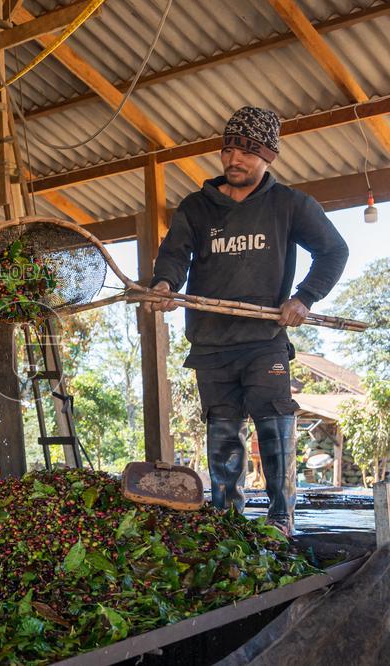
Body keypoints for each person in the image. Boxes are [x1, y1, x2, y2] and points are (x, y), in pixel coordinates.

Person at [145, 106, 349, 536]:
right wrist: (164, 284)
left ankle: (280, 517)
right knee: (222, 433)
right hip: (210, 343)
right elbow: (174, 255)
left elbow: (334, 251)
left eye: (248, 152)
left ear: (268, 157)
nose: (234, 159)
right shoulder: (197, 207)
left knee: (274, 424)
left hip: (264, 339)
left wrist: (305, 298)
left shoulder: (289, 205)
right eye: (228, 150)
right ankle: (227, 520)